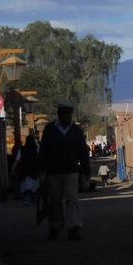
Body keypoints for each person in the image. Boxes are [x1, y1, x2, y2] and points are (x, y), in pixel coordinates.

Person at [38, 101, 90, 241]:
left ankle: (73, 228)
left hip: (72, 172)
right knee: (55, 201)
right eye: (64, 113)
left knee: (72, 200)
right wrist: (42, 171)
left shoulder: (75, 131)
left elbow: (83, 152)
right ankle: (55, 227)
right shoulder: (50, 129)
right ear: (58, 114)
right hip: (53, 172)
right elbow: (43, 151)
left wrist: (86, 172)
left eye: (68, 113)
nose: (66, 116)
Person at [16, 134, 40, 205]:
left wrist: (13, 167)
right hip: (35, 170)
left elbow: (17, 160)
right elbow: (41, 158)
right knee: (34, 187)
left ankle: (27, 200)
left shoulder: (22, 149)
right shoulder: (37, 148)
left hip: (25, 170)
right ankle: (34, 201)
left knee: (26, 187)